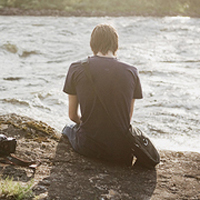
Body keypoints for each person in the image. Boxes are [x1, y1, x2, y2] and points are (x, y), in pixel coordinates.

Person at [62, 23, 143, 166]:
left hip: (88, 147)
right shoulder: (132, 71)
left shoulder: (76, 68)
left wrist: (91, 126)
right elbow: (126, 119)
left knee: (67, 129)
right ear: (116, 45)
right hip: (120, 151)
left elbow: (73, 116)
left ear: (92, 44)